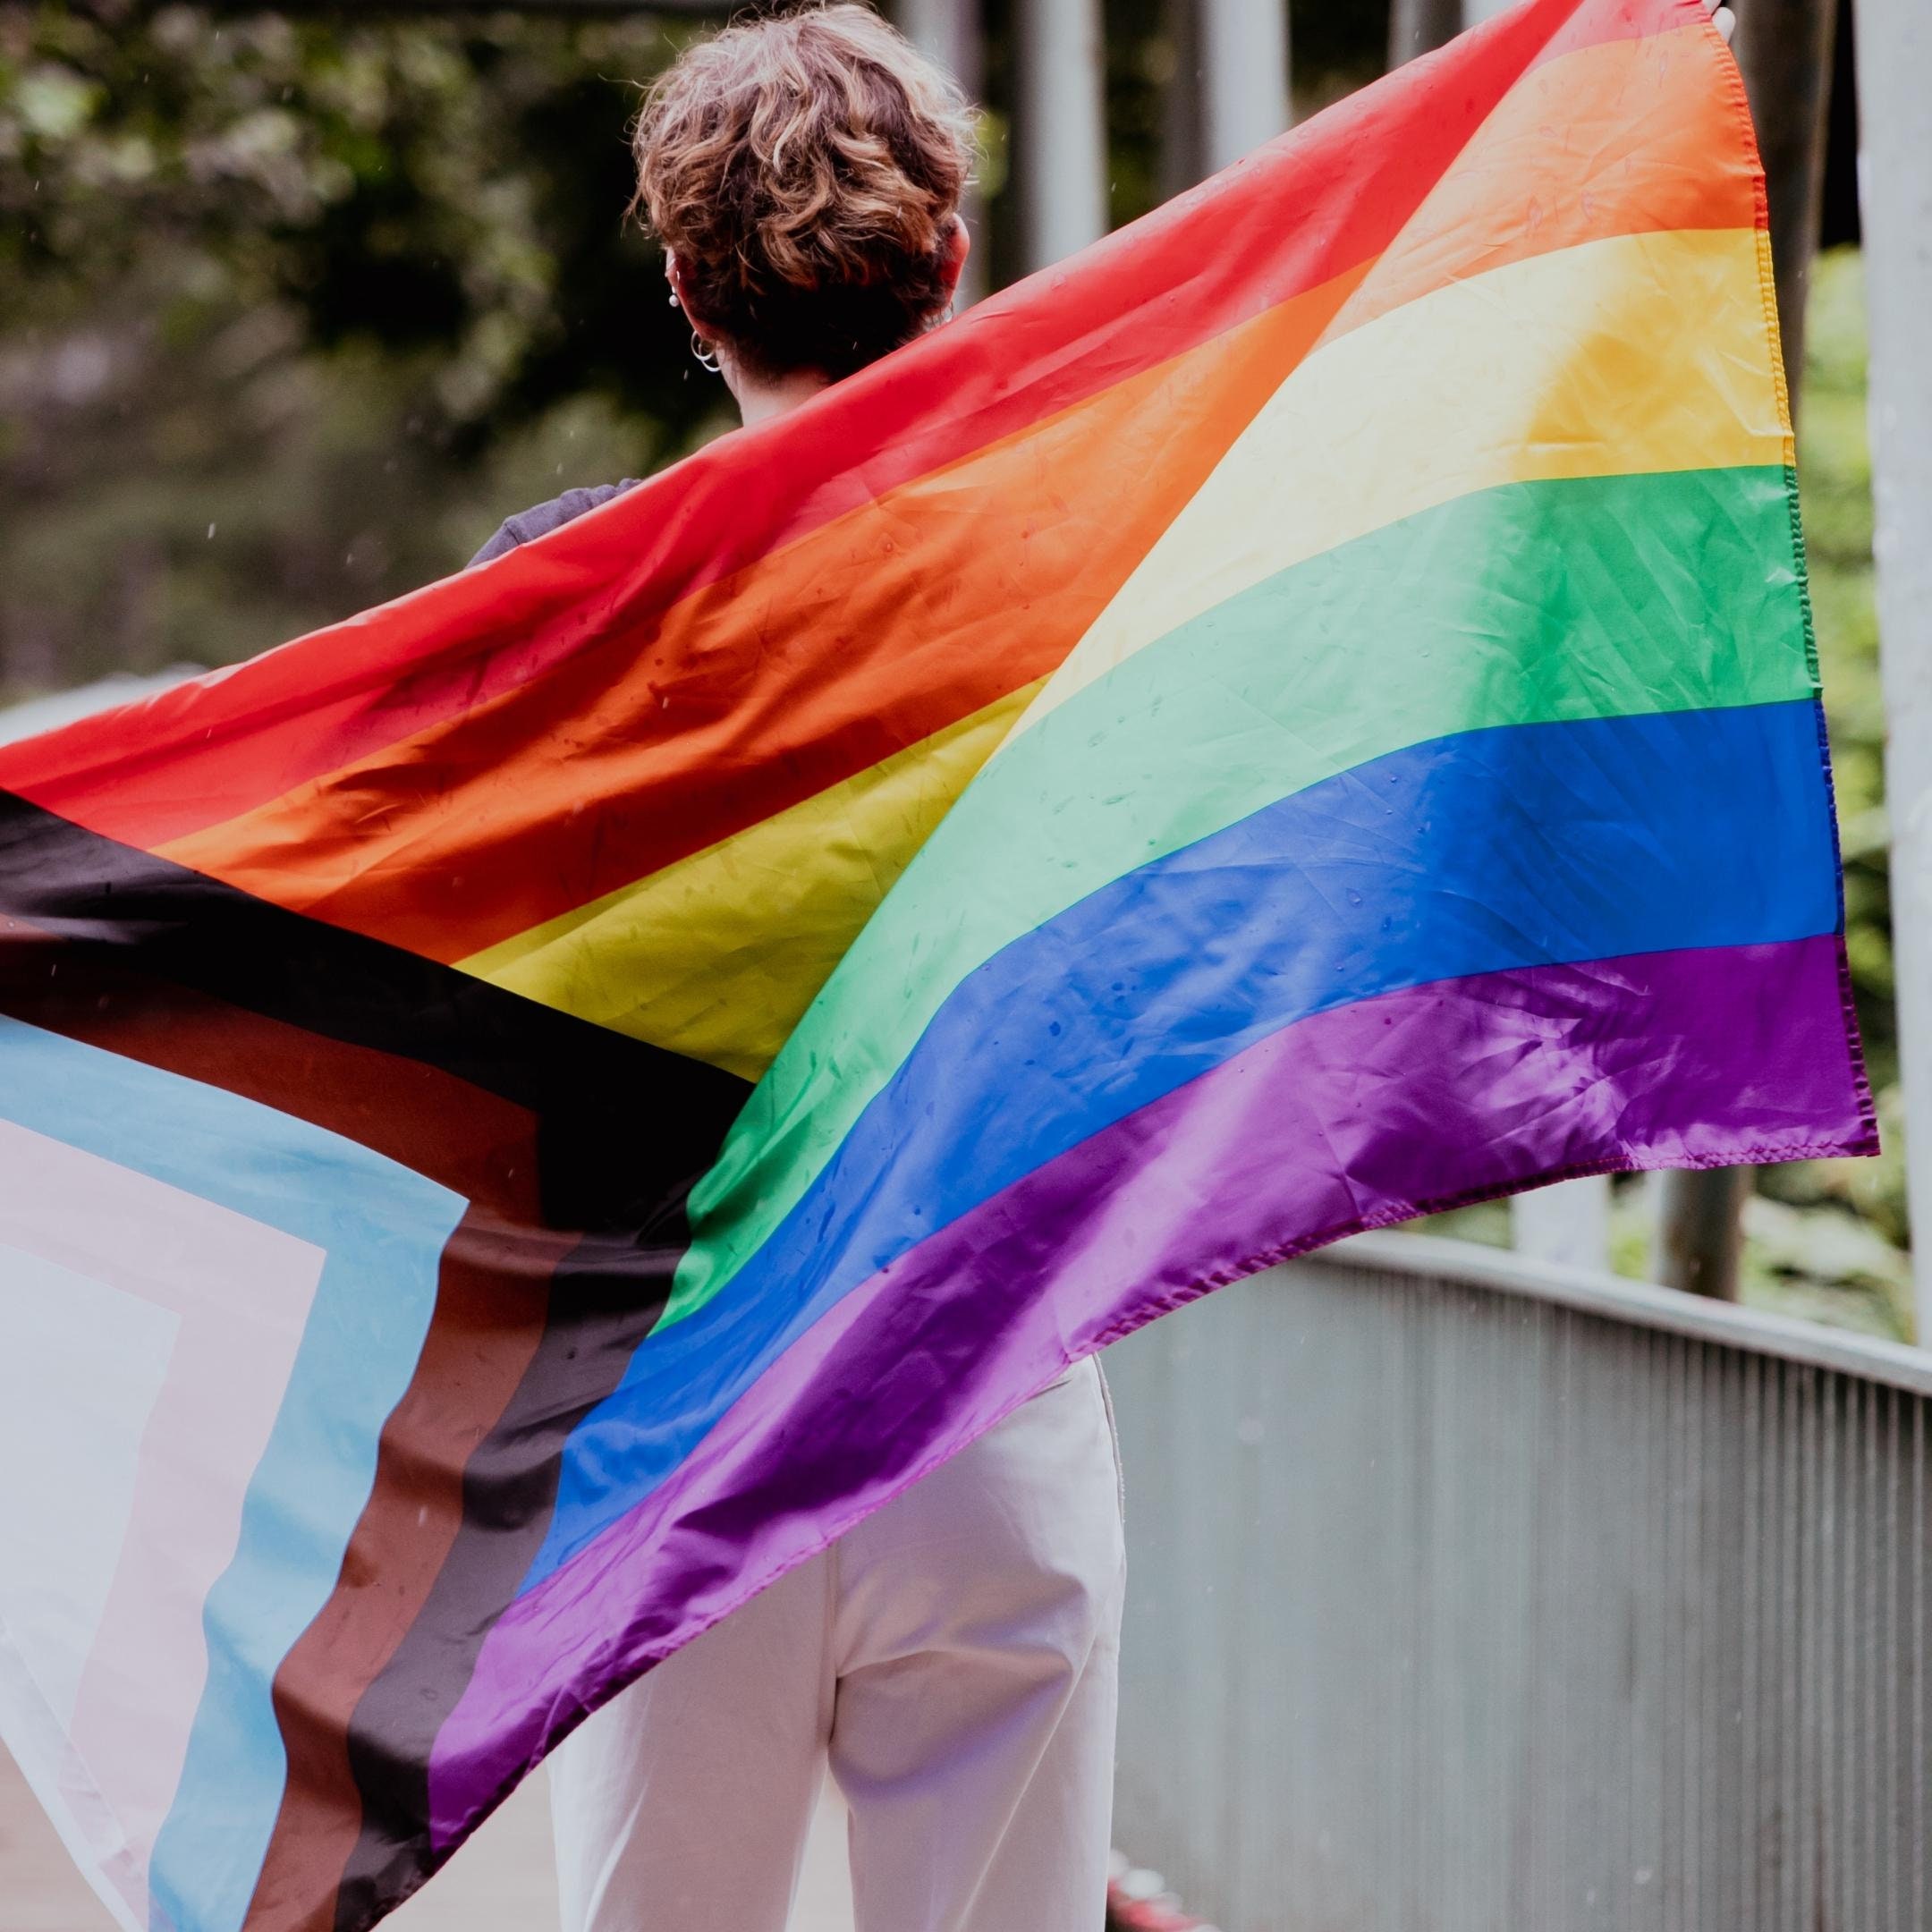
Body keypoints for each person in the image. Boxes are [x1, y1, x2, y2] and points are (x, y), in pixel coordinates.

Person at [469, 10, 1126, 1931]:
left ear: (683, 287)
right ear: (947, 262)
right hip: (989, 1379)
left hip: (675, 1421)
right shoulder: (1085, 578)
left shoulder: (563, 598)